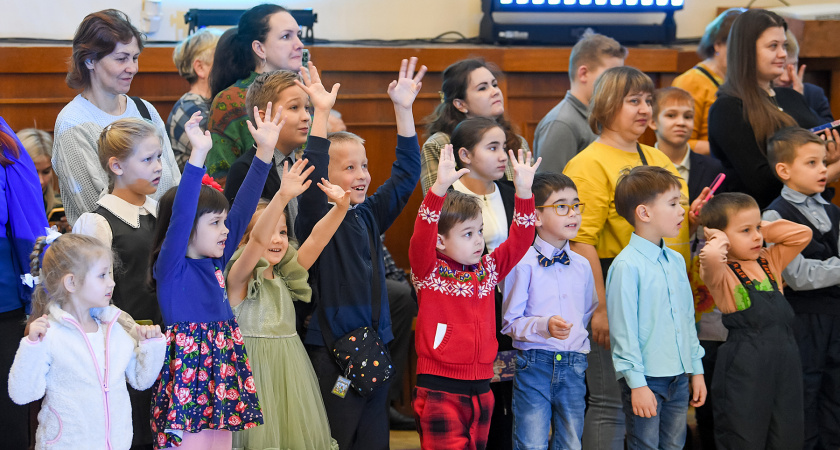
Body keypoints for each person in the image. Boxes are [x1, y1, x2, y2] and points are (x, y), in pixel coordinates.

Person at [562, 66, 704, 450]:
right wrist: (601, 307)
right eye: (633, 101)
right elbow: (580, 241)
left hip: (666, 284)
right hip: (616, 283)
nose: (644, 109)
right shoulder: (587, 164)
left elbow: (673, 227)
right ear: (607, 105)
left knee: (665, 405)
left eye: (647, 101)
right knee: (611, 402)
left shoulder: (656, 155)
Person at [294, 57, 424, 450]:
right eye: (349, 168)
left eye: (364, 166)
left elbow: (405, 174)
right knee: (337, 438)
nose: (363, 175)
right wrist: (320, 112)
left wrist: (403, 109)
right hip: (330, 351)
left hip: (373, 348)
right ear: (325, 179)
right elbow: (313, 162)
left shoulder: (367, 215)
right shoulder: (317, 214)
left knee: (373, 440)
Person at [148, 108, 280, 449]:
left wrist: (264, 153)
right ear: (189, 229)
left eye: (223, 223)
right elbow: (181, 214)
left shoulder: (216, 262)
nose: (225, 231)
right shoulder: (171, 268)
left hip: (222, 375)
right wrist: (198, 156)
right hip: (188, 384)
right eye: (214, 223)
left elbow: (244, 208)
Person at [411, 143, 538, 450]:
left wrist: (523, 193)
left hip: (482, 386)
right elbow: (421, 234)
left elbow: (522, 237)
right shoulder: (429, 271)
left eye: (480, 231)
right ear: (440, 241)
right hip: (441, 387)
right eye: (468, 234)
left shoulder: (488, 269)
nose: (479, 240)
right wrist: (438, 190)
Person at [226, 156, 348, 449]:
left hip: (289, 372)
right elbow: (257, 242)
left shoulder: (286, 274)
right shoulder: (239, 278)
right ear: (243, 239)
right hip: (251, 376)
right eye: (271, 231)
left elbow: (317, 240)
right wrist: (281, 196)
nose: (278, 239)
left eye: (283, 231)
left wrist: (341, 207)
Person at [8, 232, 165, 450]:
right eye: (102, 275)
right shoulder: (49, 335)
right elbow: (22, 393)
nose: (111, 282)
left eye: (109, 274)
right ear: (71, 282)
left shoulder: (114, 329)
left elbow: (141, 380)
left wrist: (152, 345)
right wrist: (31, 347)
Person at [72, 118, 165, 448]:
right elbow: (89, 299)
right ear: (117, 165)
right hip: (125, 349)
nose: (158, 167)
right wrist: (132, 332)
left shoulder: (161, 213)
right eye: (147, 159)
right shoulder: (98, 222)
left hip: (167, 342)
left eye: (159, 157)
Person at [699, 192, 810, 449]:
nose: (757, 236)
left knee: (787, 434)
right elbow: (712, 256)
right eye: (746, 230)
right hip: (744, 364)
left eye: (757, 228)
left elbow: (802, 234)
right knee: (743, 435)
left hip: (785, 360)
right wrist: (718, 236)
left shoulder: (769, 260)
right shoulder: (722, 271)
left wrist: (760, 229)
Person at [606, 166, 706, 449]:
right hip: (647, 379)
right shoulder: (626, 266)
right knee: (645, 445)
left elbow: (687, 320)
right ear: (644, 213)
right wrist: (637, 384)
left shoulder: (675, 260)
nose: (681, 212)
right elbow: (623, 332)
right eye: (673, 204)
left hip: (679, 376)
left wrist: (695, 369)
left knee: (674, 445)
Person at [52, 9, 180, 226]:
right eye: (121, 59)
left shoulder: (144, 110)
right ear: (90, 60)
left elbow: (173, 181)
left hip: (163, 244)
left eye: (135, 58)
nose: (132, 68)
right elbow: (97, 212)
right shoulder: (72, 124)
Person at [649, 86, 724, 449]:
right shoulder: (645, 165)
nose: (681, 123)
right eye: (671, 115)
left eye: (688, 116)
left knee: (692, 353)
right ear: (654, 121)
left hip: (694, 276)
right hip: (653, 270)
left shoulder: (710, 168)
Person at [502, 172, 597, 450]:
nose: (573, 214)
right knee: (531, 441)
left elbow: (587, 310)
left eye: (576, 205)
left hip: (574, 365)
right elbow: (510, 323)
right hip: (535, 362)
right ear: (536, 217)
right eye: (561, 206)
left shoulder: (582, 265)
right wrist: (544, 325)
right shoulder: (523, 263)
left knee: (570, 441)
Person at [707, 8, 838, 209]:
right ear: (747, 51)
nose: (783, 54)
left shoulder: (791, 96)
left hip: (815, 212)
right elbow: (761, 183)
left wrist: (828, 155)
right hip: (764, 222)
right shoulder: (728, 108)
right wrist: (828, 172)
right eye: (773, 46)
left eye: (784, 45)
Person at [449, 116, 526, 447]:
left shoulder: (511, 193)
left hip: (516, 305)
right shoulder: (449, 198)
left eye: (504, 148)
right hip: (475, 312)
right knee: (483, 402)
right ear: (465, 155)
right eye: (492, 148)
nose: (501, 156)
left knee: (511, 398)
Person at [762, 127, 840, 450]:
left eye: (824, 162)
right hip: (803, 320)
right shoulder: (774, 215)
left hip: (836, 317)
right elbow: (798, 275)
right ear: (784, 170)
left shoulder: (834, 212)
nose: (823, 170)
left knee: (836, 393)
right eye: (811, 163)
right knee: (805, 392)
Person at [206, 4, 305, 181]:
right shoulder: (231, 100)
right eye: (286, 36)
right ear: (260, 48)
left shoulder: (303, 90)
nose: (299, 44)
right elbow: (220, 180)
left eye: (298, 35)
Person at [0, 118, 50, 449]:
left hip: (4, 306)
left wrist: (37, 300)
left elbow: (29, 228)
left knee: (8, 422)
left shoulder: (7, 146)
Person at [224, 70, 312, 240]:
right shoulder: (245, 170)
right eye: (294, 107)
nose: (306, 117)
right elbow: (240, 236)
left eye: (307, 108)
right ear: (264, 118)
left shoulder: (302, 165)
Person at [420, 58, 529, 194]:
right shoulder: (440, 144)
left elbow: (530, 200)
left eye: (494, 85)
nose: (495, 91)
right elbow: (436, 206)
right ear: (460, 104)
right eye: (482, 88)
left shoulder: (517, 141)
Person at [533, 33, 626, 173]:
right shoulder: (561, 123)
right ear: (583, 74)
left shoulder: (601, 117)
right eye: (611, 76)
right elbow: (548, 190)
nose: (619, 84)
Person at [672, 8, 744, 156]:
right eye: (739, 46)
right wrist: (738, 149)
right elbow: (679, 143)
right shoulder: (690, 81)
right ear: (718, 45)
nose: (745, 54)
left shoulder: (741, 80)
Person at [168, 28, 223, 171]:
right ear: (200, 67)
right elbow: (220, 158)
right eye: (224, 59)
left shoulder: (212, 102)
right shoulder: (190, 107)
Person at [775, 30, 834, 123]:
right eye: (781, 67)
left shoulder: (814, 94)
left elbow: (828, 130)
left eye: (792, 66)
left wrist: (799, 102)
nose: (786, 78)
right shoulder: (760, 96)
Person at [17, 128, 67, 231]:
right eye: (33, 173)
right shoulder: (4, 207)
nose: (41, 181)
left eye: (46, 171)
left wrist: (70, 234)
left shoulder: (61, 205)